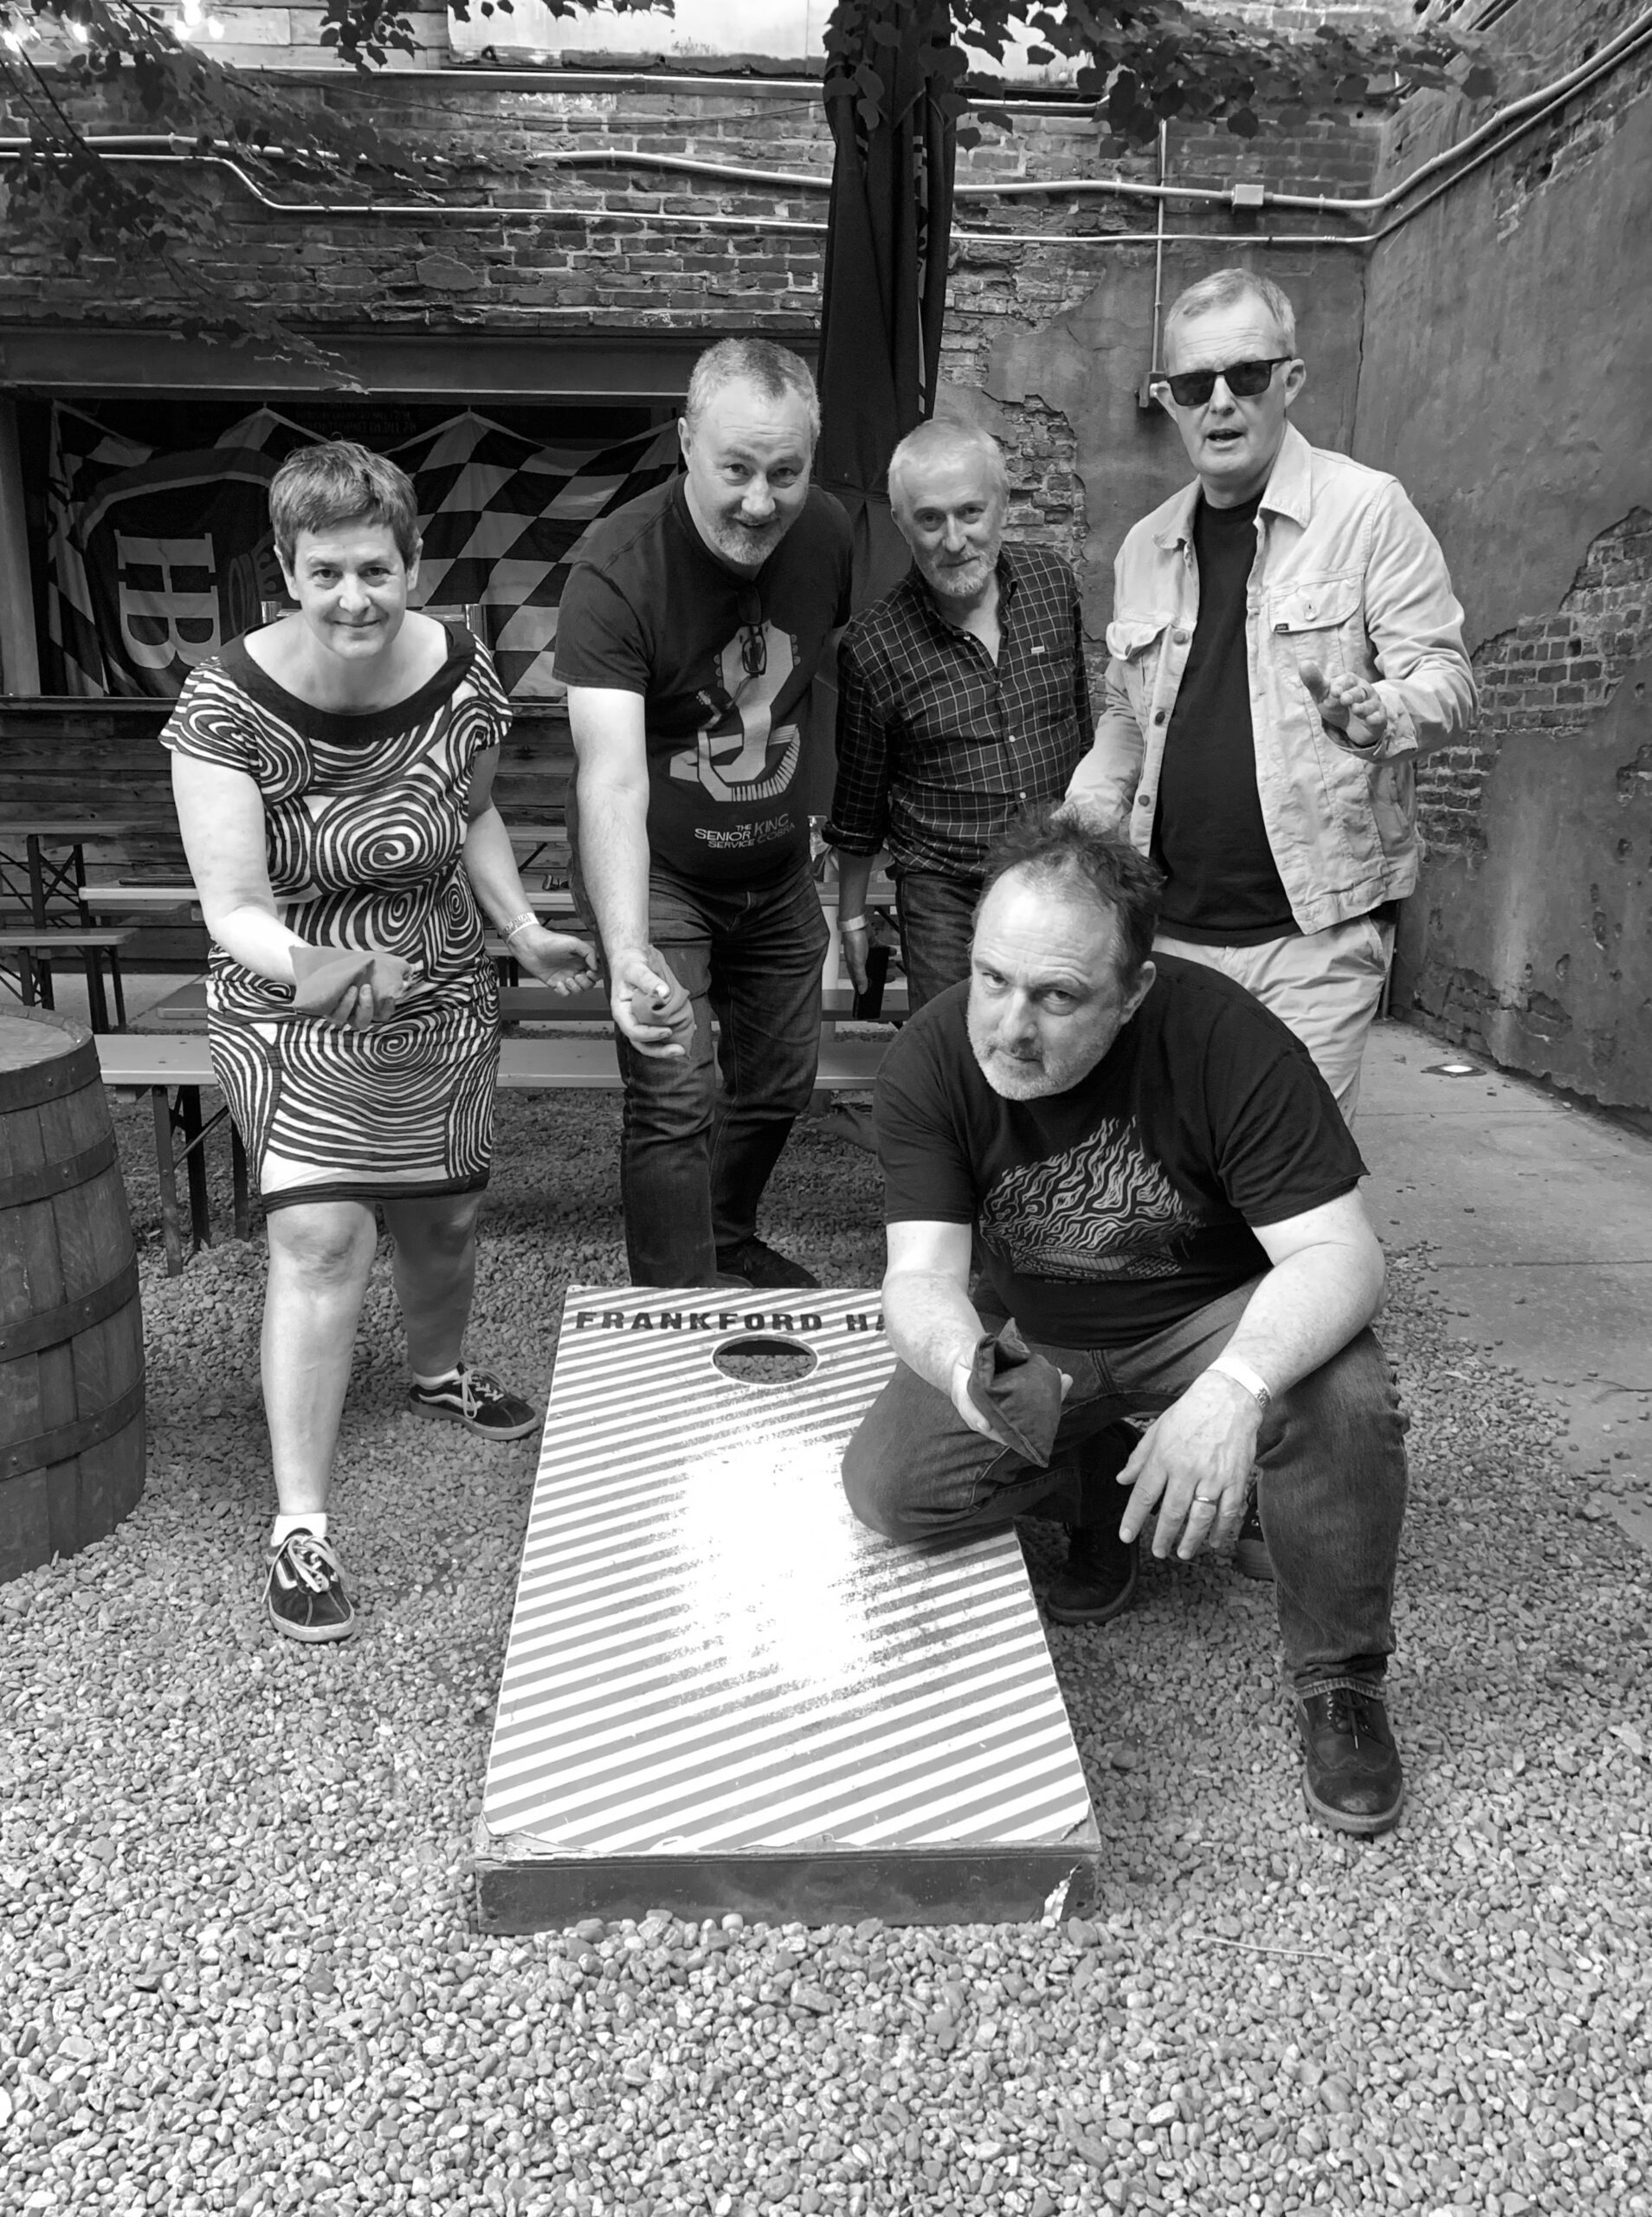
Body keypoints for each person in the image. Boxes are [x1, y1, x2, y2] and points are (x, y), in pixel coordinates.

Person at [841, 810, 1410, 1837]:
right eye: (993, 979)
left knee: (1344, 1391)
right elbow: (920, 1274)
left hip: (1209, 1321)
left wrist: (1234, 1391)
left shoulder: (1224, 1039)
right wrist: (969, 1369)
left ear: (1134, 990)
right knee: (892, 1489)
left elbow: (1343, 1255)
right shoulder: (931, 1059)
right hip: (1045, 1330)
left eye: (1060, 997)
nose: (1011, 1027)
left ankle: (1342, 1679)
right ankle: (1106, 1489)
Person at [165, 440, 597, 1645]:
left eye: (374, 567)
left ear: (413, 562)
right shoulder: (222, 703)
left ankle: (435, 1369)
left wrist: (524, 929)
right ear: (287, 575)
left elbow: (473, 810)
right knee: (319, 1233)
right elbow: (232, 905)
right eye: (323, 572)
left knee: (445, 1217)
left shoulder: (462, 667)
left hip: (440, 989)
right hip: (288, 993)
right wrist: (313, 967)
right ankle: (297, 1524)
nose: (352, 597)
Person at [1066, 266, 1475, 1124]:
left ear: (1288, 380)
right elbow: (1126, 717)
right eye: (1193, 384)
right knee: (1179, 1179)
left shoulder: (1368, 512)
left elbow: (1448, 680)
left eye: (1245, 375)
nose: (1220, 401)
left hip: (1315, 936)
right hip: (1169, 932)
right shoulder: (1145, 546)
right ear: (1168, 399)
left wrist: (1380, 714)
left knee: (1289, 1185)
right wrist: (1091, 803)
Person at [554, 338, 853, 1290]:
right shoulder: (615, 568)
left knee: (778, 1083)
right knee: (673, 1092)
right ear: (687, 443)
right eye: (735, 470)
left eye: (785, 473)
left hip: (776, 872)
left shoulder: (832, 536)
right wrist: (628, 943)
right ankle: (674, 1322)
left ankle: (723, 1236)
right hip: (661, 871)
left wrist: (832, 838)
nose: (760, 503)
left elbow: (830, 682)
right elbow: (609, 776)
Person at [826, 419, 1091, 1012]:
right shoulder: (874, 646)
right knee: (953, 1056)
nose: (953, 540)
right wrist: (850, 916)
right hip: (944, 891)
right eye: (929, 519)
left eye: (970, 513)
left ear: (1001, 506)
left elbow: (1081, 726)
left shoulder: (1053, 584)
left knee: (1063, 1041)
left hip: (1056, 874)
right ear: (901, 523)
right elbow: (858, 804)